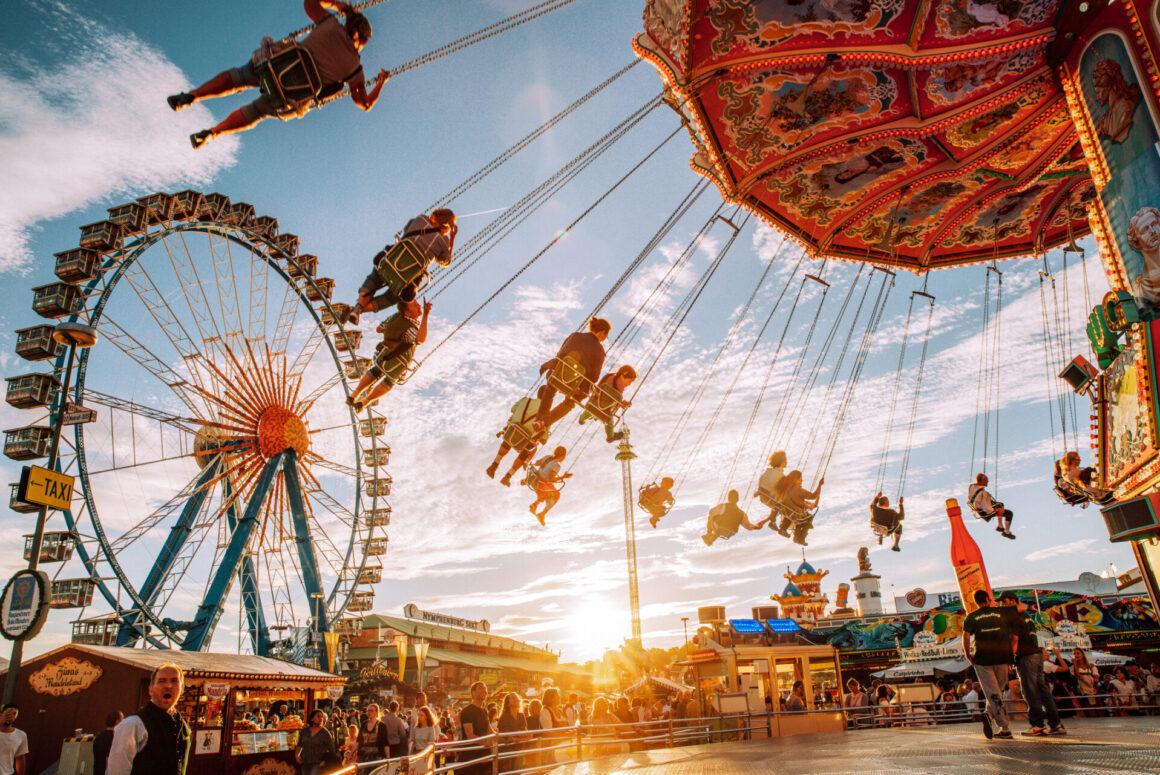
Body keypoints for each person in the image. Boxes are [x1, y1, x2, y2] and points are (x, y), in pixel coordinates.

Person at [173, 1, 387, 148]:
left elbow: (310, 2)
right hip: (287, 97)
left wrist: (339, 5)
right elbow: (364, 103)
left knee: (239, 76)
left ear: (348, 24)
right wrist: (380, 83)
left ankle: (194, 95)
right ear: (364, 41)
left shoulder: (330, 24)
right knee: (255, 112)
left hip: (272, 66)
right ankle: (213, 133)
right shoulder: (355, 68)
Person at [349, 211, 458, 314]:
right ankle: (358, 311)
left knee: (375, 277)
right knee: (393, 297)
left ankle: (358, 306)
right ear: (447, 227)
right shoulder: (444, 241)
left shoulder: (420, 219)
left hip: (391, 261)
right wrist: (452, 239)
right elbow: (446, 262)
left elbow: (406, 232)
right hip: (406, 278)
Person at [997, 591, 1065, 736]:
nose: (1002, 604)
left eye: (1004, 601)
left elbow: (1014, 639)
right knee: (1043, 690)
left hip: (1025, 656)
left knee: (1030, 690)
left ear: (1011, 601)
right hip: (1037, 654)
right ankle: (1056, 724)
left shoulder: (1015, 616)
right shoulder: (1027, 616)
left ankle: (1037, 725)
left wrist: (1010, 658)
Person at [346, 299, 432, 412]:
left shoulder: (395, 317)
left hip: (384, 354)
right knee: (389, 382)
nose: (419, 306)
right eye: (415, 305)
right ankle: (365, 402)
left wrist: (392, 333)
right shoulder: (409, 328)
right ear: (407, 313)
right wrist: (425, 314)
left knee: (375, 371)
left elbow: (379, 329)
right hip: (398, 362)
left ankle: (355, 393)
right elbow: (420, 339)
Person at [107, 664, 190, 775]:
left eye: (174, 681)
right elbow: (117, 771)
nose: (168, 686)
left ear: (182, 689)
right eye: (162, 681)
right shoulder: (133, 724)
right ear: (151, 690)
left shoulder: (183, 725)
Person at [537, 318, 612, 428]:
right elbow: (594, 377)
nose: (605, 339)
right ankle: (544, 423)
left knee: (550, 389)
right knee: (570, 403)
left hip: (559, 374)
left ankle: (539, 420)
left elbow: (560, 353)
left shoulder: (575, 335)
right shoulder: (600, 351)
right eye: (607, 335)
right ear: (602, 332)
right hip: (576, 386)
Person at [962, 589, 1016, 739]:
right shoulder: (1001, 613)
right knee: (997, 691)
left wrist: (967, 654)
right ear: (987, 598)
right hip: (1002, 656)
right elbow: (1013, 633)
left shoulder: (972, 617)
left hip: (982, 658)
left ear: (975, 602)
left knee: (993, 692)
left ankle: (994, 719)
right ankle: (1001, 725)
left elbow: (966, 637)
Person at [487, 387, 550, 487]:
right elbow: (543, 440)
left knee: (512, 432)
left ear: (538, 394)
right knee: (531, 447)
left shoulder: (525, 400)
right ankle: (508, 476)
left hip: (512, 433)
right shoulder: (547, 414)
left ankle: (495, 464)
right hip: (525, 442)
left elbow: (512, 410)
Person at [577, 365, 636, 442]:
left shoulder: (608, 376)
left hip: (594, 403)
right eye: (629, 381)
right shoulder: (620, 386)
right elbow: (615, 400)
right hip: (605, 411)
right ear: (623, 374)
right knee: (609, 421)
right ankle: (610, 437)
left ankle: (582, 420)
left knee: (591, 410)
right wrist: (622, 404)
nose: (629, 384)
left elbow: (599, 388)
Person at [771, 470, 823, 545]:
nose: (802, 480)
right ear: (795, 479)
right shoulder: (798, 490)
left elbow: (794, 501)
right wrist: (819, 485)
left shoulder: (785, 489)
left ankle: (784, 528)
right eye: (800, 478)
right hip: (796, 514)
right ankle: (799, 537)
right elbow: (813, 496)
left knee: (800, 516)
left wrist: (806, 505)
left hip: (787, 512)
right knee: (808, 518)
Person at [525, 446, 572, 525]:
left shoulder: (547, 457)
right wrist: (563, 477)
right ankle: (542, 513)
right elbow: (551, 479)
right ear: (563, 456)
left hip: (535, 479)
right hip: (541, 484)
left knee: (549, 491)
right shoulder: (557, 466)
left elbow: (536, 463)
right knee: (556, 495)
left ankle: (535, 505)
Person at [459, 682, 493, 775]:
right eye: (481, 688)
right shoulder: (467, 711)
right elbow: (470, 735)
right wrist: (486, 742)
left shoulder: (484, 711)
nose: (484, 690)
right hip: (470, 757)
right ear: (473, 693)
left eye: (485, 688)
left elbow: (491, 732)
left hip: (484, 756)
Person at [967, 473, 1015, 539]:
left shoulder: (971, 486)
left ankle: (1000, 526)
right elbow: (987, 509)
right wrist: (998, 510)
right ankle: (1006, 532)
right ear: (982, 481)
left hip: (978, 507)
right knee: (1009, 513)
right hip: (984, 512)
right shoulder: (983, 493)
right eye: (986, 480)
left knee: (1000, 505)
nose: (988, 481)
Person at [295, 709, 336, 775]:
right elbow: (300, 744)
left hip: (318, 763)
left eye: (322, 717)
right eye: (318, 716)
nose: (321, 718)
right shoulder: (305, 731)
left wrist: (325, 761)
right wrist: (297, 755)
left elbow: (332, 749)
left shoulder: (325, 733)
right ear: (312, 719)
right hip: (305, 762)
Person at [495, 693, 528, 773]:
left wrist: (517, 737)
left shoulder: (521, 715)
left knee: (518, 771)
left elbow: (526, 733)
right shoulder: (504, 716)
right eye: (513, 698)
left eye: (516, 697)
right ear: (508, 703)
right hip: (507, 750)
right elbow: (505, 736)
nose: (516, 699)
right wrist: (519, 736)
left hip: (519, 748)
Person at [755, 450, 788, 520]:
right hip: (772, 499)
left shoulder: (766, 472)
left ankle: (774, 521)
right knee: (791, 507)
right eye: (785, 460)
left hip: (764, 497)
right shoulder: (779, 475)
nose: (786, 462)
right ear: (782, 462)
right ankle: (782, 525)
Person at [92, 710, 123, 775]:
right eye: (122, 719)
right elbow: (109, 760)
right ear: (117, 722)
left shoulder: (99, 736)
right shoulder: (114, 737)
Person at [0, 704, 28, 775]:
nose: (10, 716)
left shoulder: (21, 735)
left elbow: (20, 757)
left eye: (14, 714)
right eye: (8, 713)